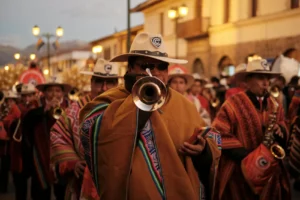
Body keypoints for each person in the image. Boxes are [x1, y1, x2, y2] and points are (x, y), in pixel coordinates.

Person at [79, 32, 221, 200]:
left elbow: (211, 138)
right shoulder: (111, 100)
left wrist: (203, 151)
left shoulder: (184, 105)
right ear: (131, 68)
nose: (155, 72)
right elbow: (91, 130)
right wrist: (138, 104)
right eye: (147, 65)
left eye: (162, 66)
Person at [212, 59, 291, 200]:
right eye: (261, 78)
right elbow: (218, 133)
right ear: (248, 81)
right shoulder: (232, 103)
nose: (266, 83)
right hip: (238, 172)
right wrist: (248, 157)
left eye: (267, 78)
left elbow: (283, 123)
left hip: (270, 173)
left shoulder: (275, 104)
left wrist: (281, 130)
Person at [50, 58, 121, 200]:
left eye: (110, 83)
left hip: (118, 182)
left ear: (117, 84)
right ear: (91, 83)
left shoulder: (126, 108)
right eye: (99, 82)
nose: (104, 88)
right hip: (81, 184)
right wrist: (73, 162)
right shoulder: (75, 109)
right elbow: (57, 134)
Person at [23, 76, 71, 200]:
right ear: (44, 93)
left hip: (63, 161)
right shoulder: (35, 111)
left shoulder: (71, 109)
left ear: (63, 93)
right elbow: (27, 127)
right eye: (50, 91)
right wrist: (45, 111)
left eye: (58, 91)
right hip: (41, 162)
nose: (54, 94)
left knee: (63, 195)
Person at [10, 83, 39, 200]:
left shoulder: (39, 107)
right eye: (24, 96)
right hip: (20, 151)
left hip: (35, 151)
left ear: (34, 95)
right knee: (20, 188)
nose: (27, 99)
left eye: (30, 96)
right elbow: (9, 125)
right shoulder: (16, 108)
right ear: (21, 97)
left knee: (37, 189)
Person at [0, 90, 20, 194]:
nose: (9, 102)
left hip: (11, 144)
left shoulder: (16, 111)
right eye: (8, 100)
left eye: (11, 100)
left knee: (8, 167)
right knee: (3, 167)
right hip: (3, 145)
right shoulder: (4, 109)